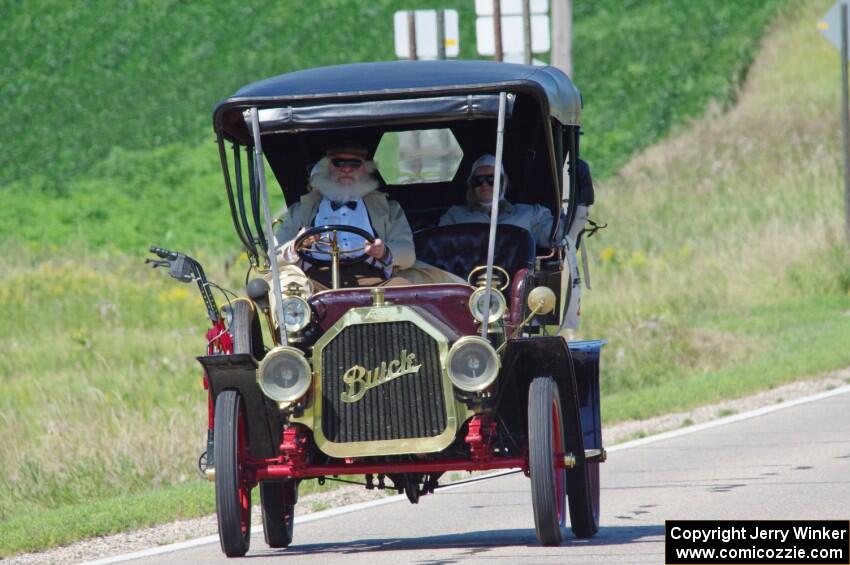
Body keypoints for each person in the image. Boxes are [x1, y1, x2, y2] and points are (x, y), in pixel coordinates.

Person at [274, 146, 415, 292]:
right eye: (339, 163)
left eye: (355, 164)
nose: (347, 170)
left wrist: (383, 251)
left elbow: (408, 252)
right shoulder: (300, 210)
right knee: (291, 291)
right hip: (314, 283)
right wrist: (296, 244)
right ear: (327, 167)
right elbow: (273, 257)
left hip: (373, 282)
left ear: (365, 169)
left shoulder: (388, 208)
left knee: (403, 290)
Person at [438, 154, 555, 249]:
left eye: (491, 179)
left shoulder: (530, 214)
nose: (484, 184)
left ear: (503, 182)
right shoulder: (454, 216)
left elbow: (556, 235)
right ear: (471, 185)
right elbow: (439, 246)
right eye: (477, 180)